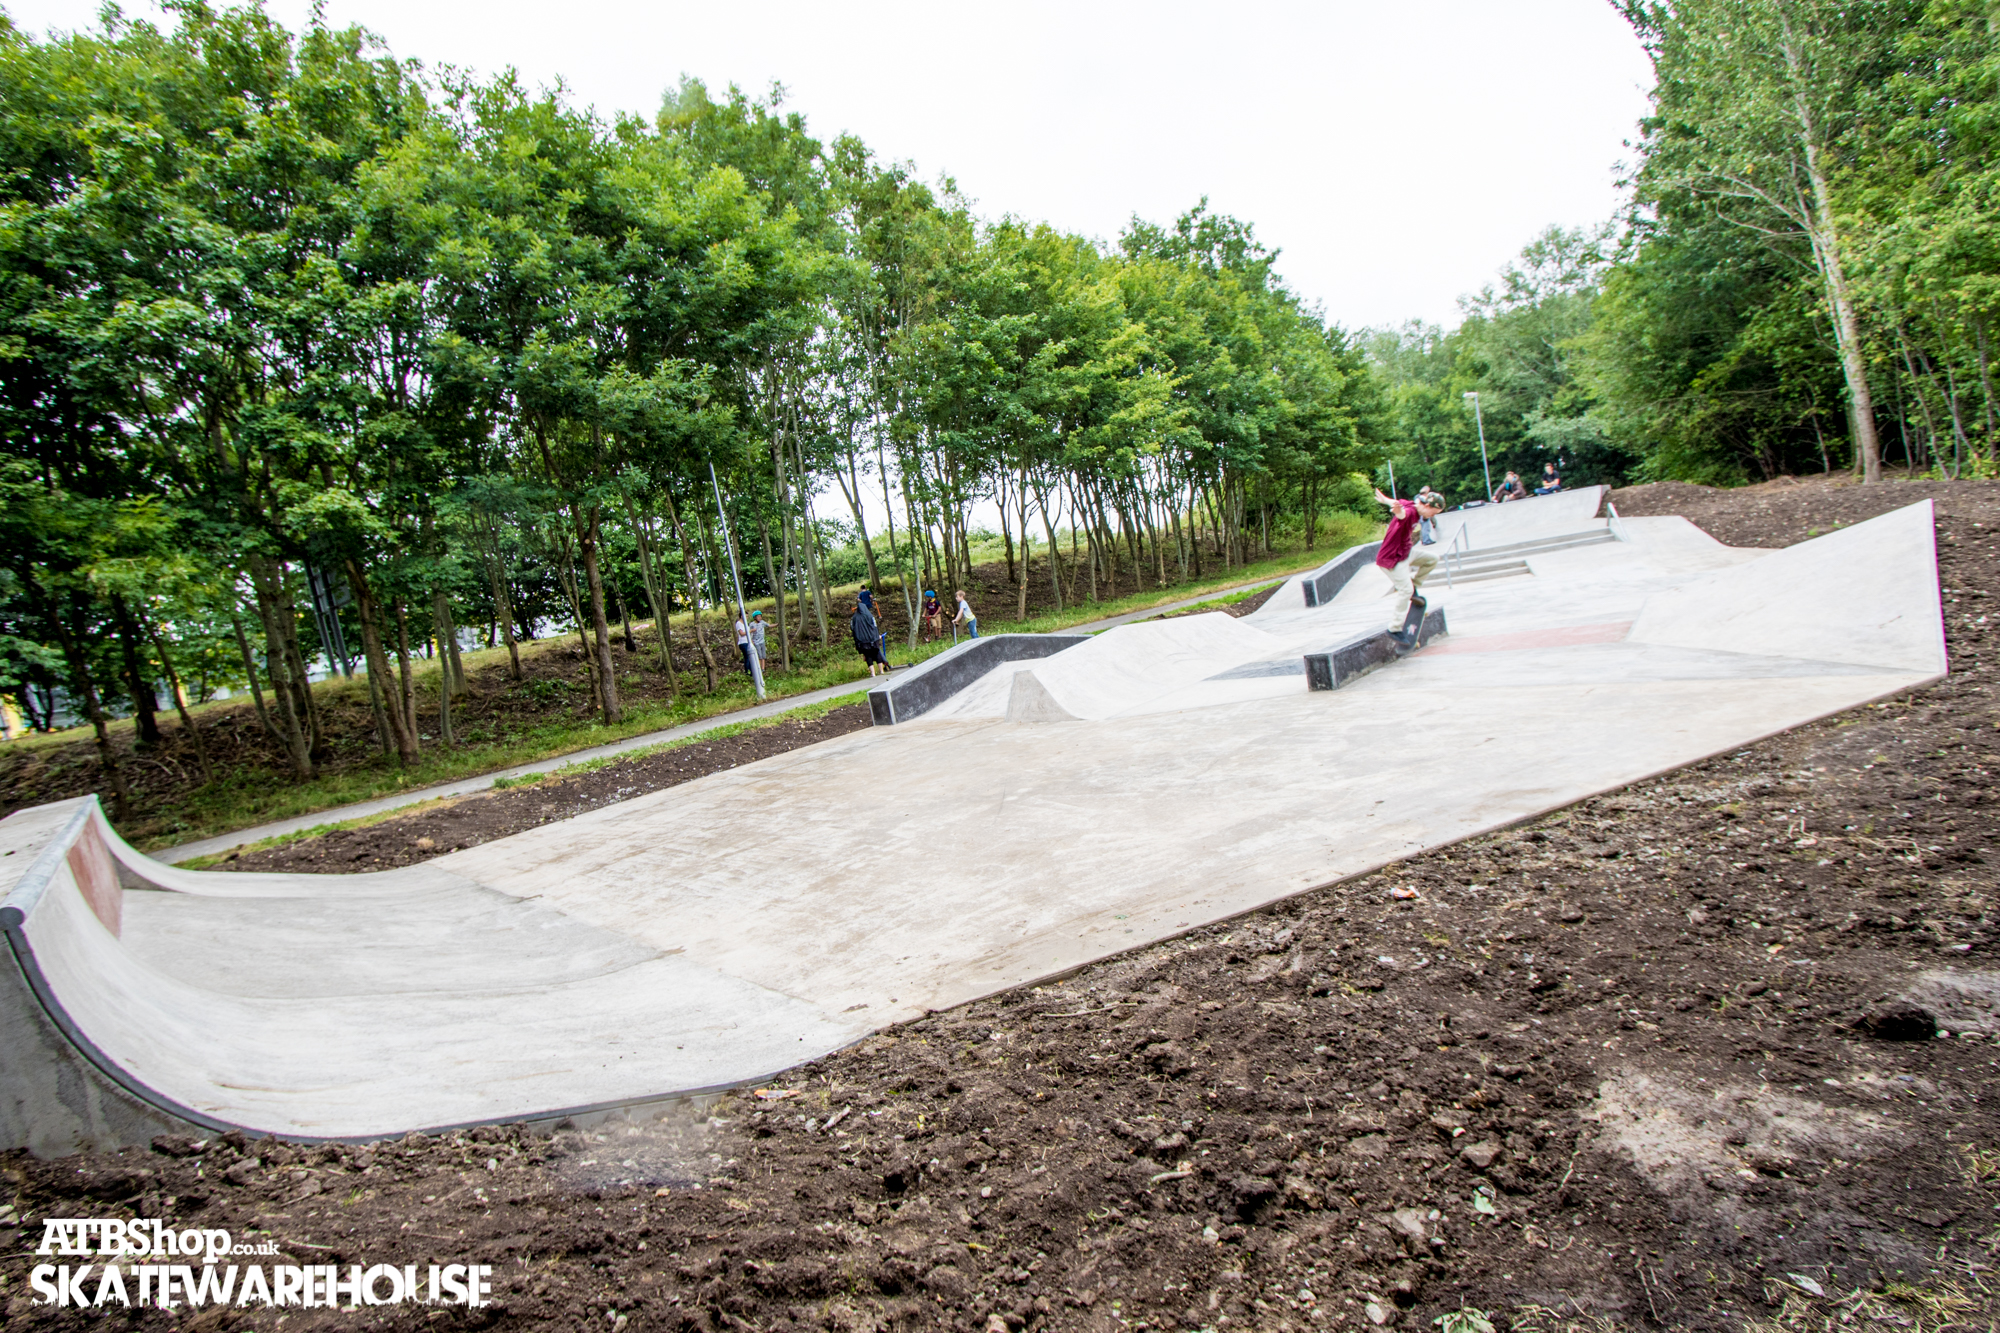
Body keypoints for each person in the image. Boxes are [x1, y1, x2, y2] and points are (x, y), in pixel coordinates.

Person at [1372, 487, 1445, 645]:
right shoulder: (1411, 513)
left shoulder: (1413, 505)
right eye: (1432, 513)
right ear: (1427, 506)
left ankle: (1415, 586)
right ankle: (1394, 628)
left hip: (1406, 553)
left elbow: (1398, 503)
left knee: (1432, 558)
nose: (1431, 517)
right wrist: (1397, 512)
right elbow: (1402, 515)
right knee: (1405, 590)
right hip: (1392, 559)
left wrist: (1385, 500)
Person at [850, 602, 889, 676]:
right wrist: (877, 636)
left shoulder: (854, 618)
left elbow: (852, 628)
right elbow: (875, 626)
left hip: (862, 641)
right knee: (877, 653)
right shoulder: (870, 616)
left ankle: (873, 673)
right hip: (873, 639)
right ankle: (881, 671)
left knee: (868, 656)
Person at [734, 611, 754, 676]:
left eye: (747, 616)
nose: (747, 618)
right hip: (743, 642)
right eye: (746, 616)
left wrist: (751, 641)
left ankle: (751, 671)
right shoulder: (738, 624)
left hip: (748, 642)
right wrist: (750, 631)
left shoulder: (745, 624)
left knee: (750, 657)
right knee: (747, 657)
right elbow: (742, 633)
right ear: (742, 616)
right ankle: (747, 671)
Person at [749, 610, 769, 674]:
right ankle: (758, 668)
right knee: (759, 656)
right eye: (758, 616)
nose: (760, 618)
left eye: (760, 616)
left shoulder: (762, 622)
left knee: (763, 656)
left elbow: (769, 625)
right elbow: (749, 633)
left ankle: (763, 668)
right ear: (755, 617)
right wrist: (751, 641)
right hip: (756, 642)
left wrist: (777, 624)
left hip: (762, 641)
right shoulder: (752, 624)